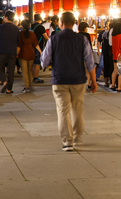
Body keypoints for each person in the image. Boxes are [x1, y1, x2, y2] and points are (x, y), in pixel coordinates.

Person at [41, 12, 97, 151]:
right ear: (74, 22)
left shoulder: (53, 39)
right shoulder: (82, 39)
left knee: (62, 110)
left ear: (60, 22)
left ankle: (68, 141)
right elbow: (90, 62)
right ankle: (78, 138)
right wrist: (93, 81)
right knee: (78, 110)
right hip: (78, 79)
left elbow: (44, 61)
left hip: (60, 79)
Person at [0, 11, 19, 94]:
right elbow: (18, 42)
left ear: (6, 17)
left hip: (2, 50)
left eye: (4, 16)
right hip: (12, 51)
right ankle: (9, 89)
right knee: (11, 70)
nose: (3, 18)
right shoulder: (16, 28)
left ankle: (4, 82)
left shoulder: (1, 27)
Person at [18, 19, 42, 93]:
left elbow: (19, 45)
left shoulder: (20, 34)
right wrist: (41, 52)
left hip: (23, 54)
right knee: (30, 70)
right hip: (31, 53)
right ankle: (30, 85)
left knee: (24, 71)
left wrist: (16, 53)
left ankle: (27, 86)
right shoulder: (32, 34)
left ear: (22, 26)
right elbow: (36, 45)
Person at [31, 14, 49, 83]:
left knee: (34, 63)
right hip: (38, 46)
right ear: (41, 19)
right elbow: (45, 37)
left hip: (32, 46)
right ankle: (36, 77)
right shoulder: (41, 27)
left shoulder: (31, 26)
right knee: (37, 63)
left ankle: (33, 76)